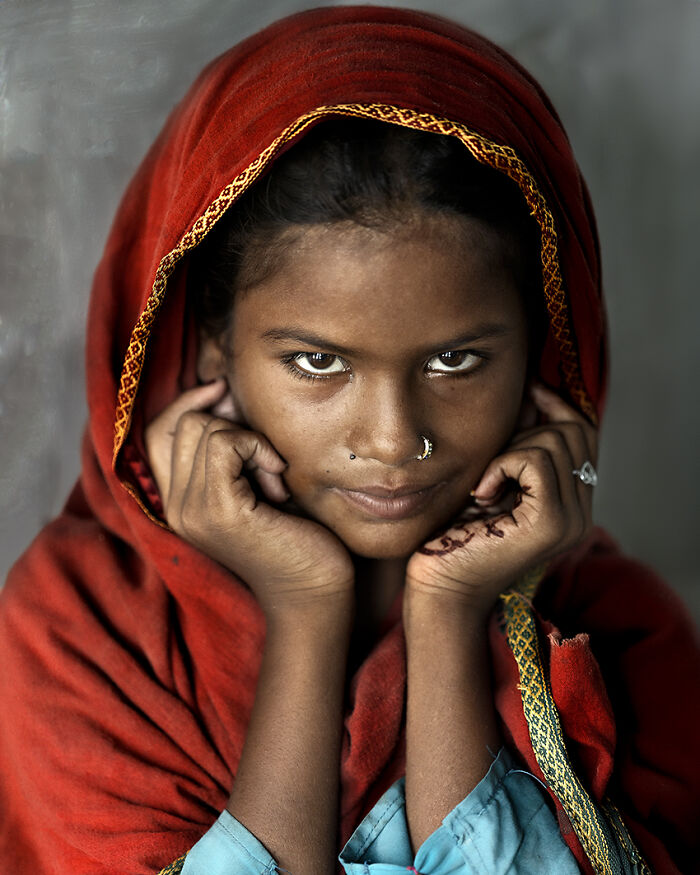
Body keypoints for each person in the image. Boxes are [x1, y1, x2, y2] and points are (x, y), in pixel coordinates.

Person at [0, 6, 697, 875]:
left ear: (544, 347)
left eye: (455, 358)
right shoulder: (81, 637)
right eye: (317, 361)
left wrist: (448, 618)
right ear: (209, 344)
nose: (394, 438)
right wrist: (304, 610)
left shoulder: (625, 636)